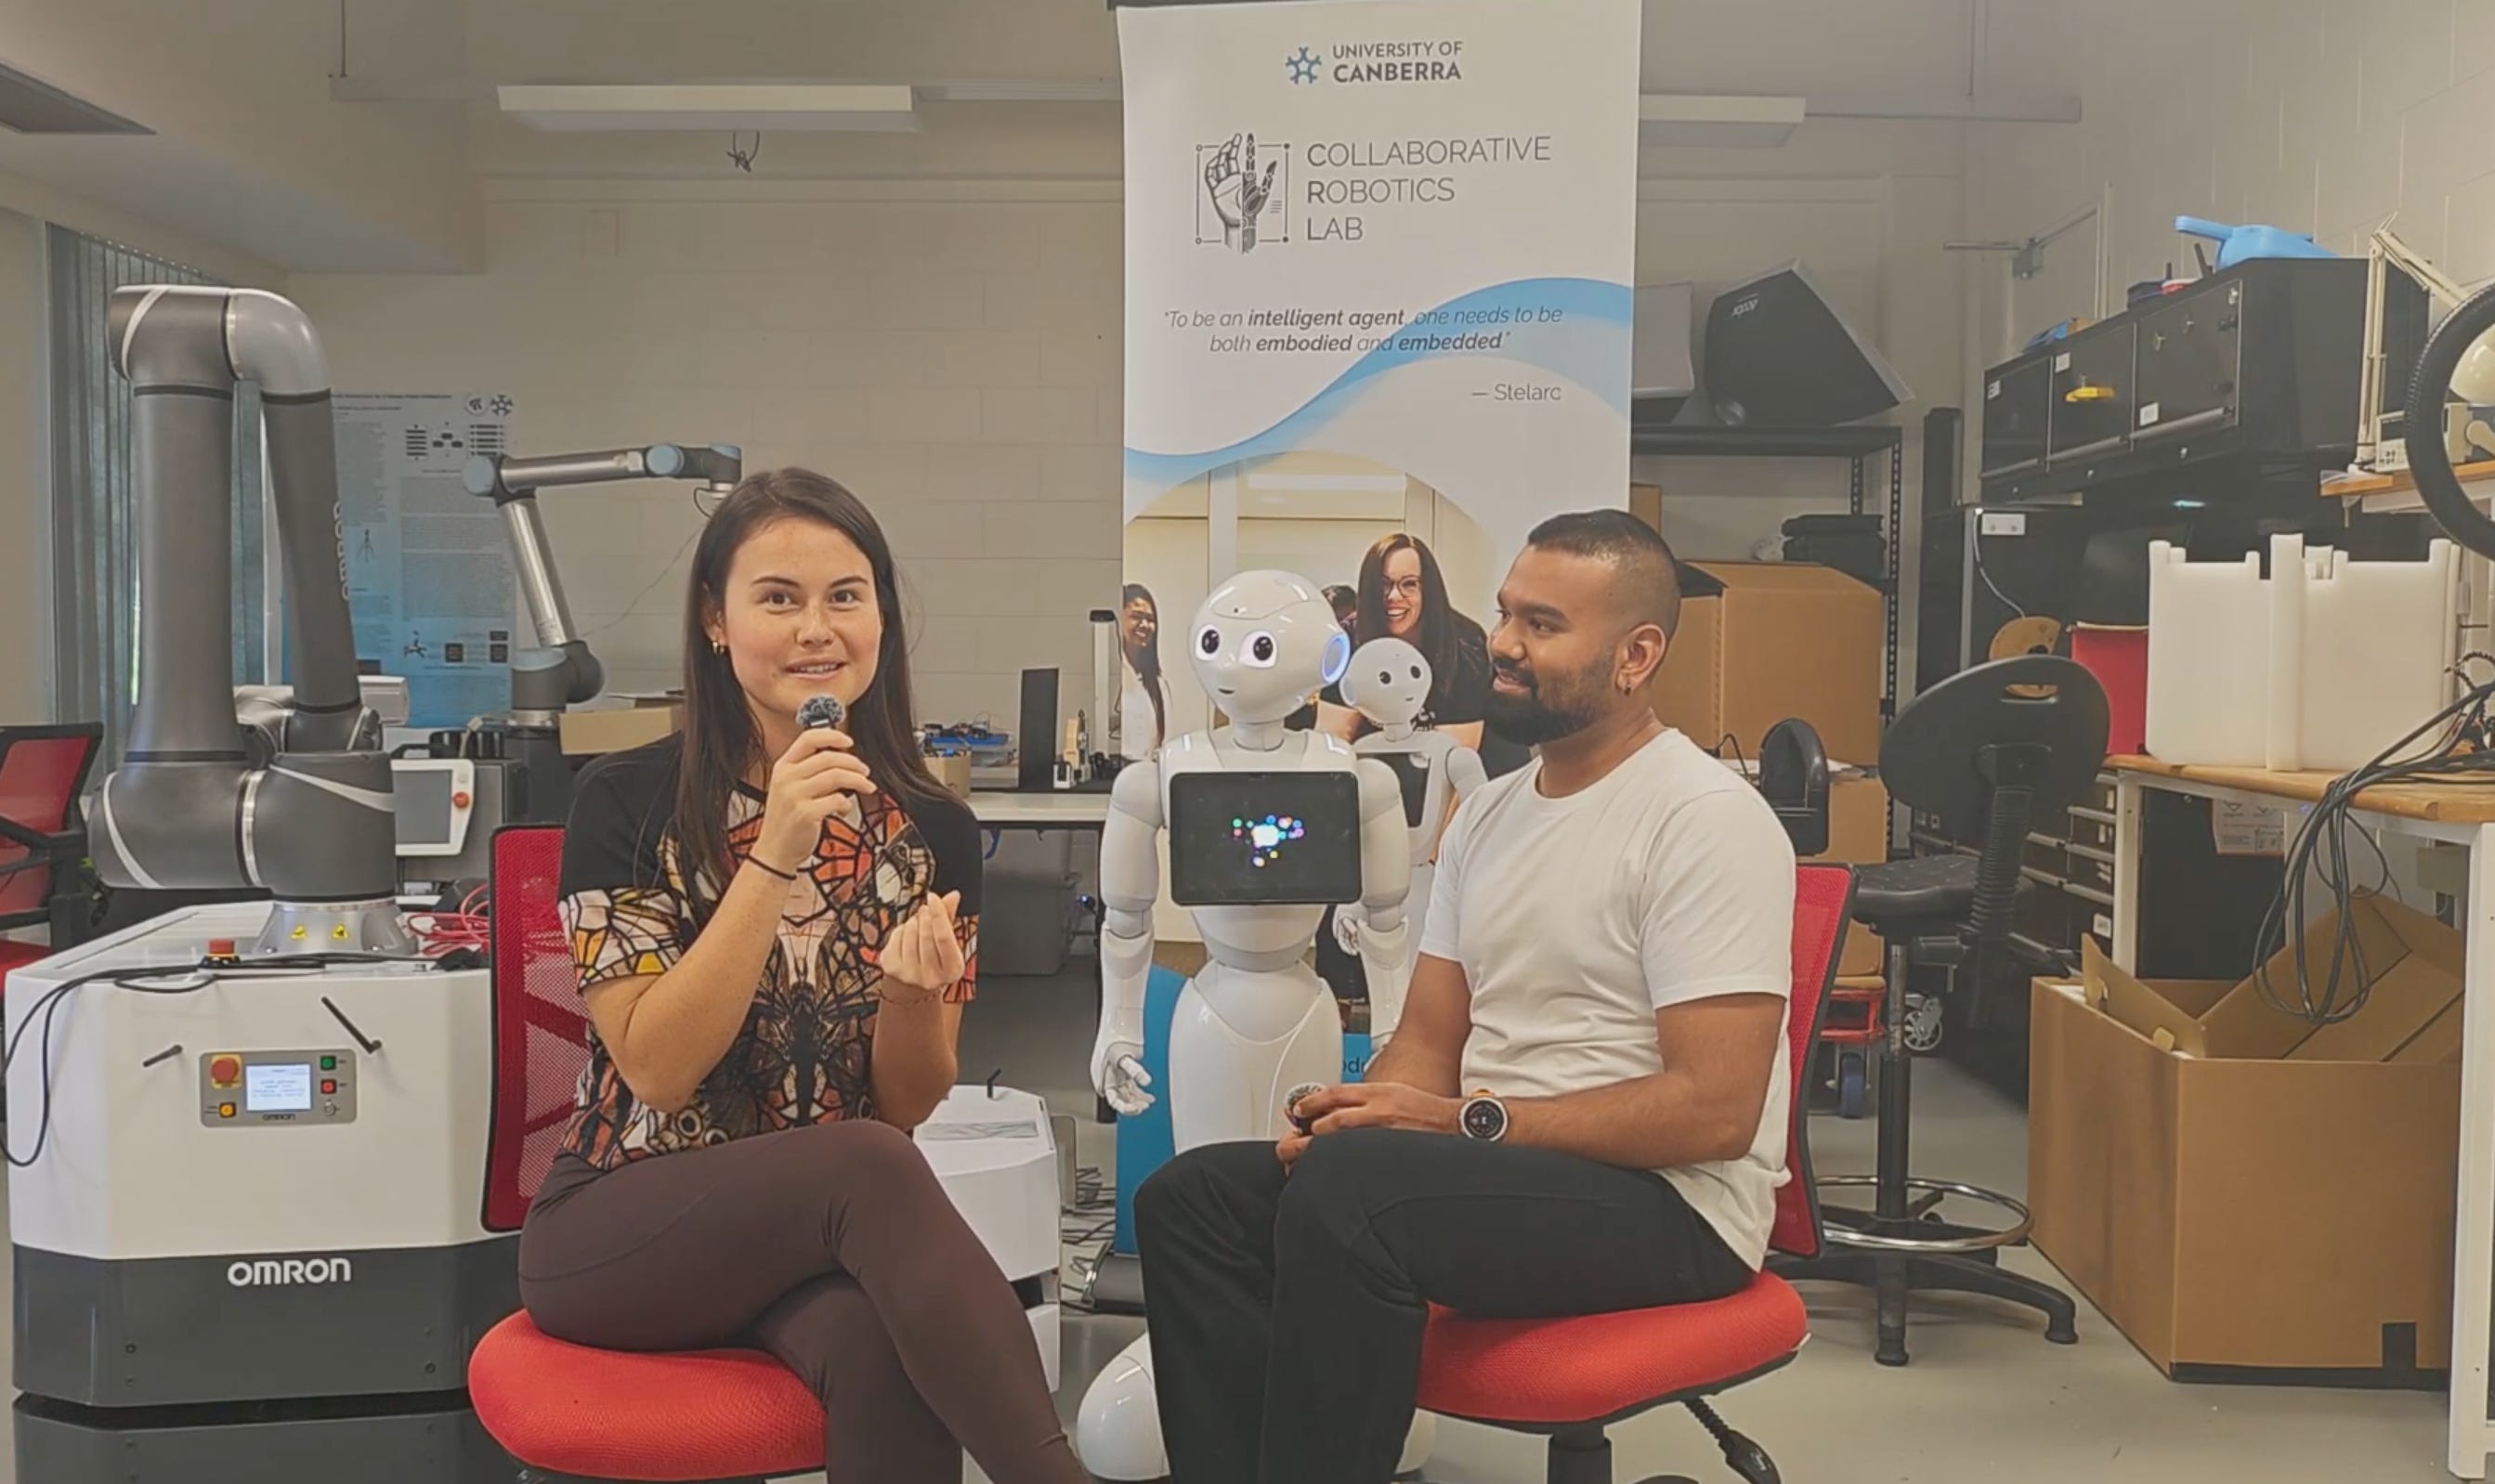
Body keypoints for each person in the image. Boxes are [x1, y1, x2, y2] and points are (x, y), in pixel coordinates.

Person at [1135, 510, 1797, 1484]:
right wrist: (1365, 1116)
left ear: (1636, 655)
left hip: (1673, 1206)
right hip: (1503, 1161)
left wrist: (1456, 1123)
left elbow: (1715, 1110)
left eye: (1542, 624)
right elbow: (1427, 1038)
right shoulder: (1488, 814)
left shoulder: (1705, 820)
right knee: (1191, 1200)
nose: (1504, 643)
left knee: (1353, 1201)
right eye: (1505, 613)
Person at [516, 468, 1089, 1484]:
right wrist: (775, 852)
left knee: (885, 1345)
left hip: (811, 1238)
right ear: (717, 620)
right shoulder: (626, 800)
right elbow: (657, 1069)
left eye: (845, 596)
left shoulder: (935, 830)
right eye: (778, 598)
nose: (817, 629)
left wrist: (910, 997)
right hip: (619, 1220)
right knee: (861, 1162)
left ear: (882, 617)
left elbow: (907, 1103)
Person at [1318, 533, 1493, 750]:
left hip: (1436, 764)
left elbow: (1456, 754)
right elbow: (1332, 740)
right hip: (1365, 763)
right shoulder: (1347, 640)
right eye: (1383, 584)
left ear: (1428, 589)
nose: (1393, 596)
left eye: (1409, 584)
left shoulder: (1465, 643)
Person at [1117, 582, 1168, 762]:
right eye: (1136, 617)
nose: (1144, 625)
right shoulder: (1115, 677)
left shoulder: (1158, 683)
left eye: (1150, 619)